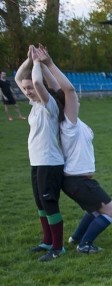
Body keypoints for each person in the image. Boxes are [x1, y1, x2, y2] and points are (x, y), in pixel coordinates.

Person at [34, 46, 112, 254]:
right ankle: (85, 244)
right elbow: (68, 90)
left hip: (75, 180)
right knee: (110, 210)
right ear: (67, 104)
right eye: (72, 99)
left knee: (95, 209)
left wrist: (45, 67)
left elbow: (57, 89)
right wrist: (50, 63)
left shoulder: (69, 121)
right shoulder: (68, 122)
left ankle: (76, 238)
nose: (75, 98)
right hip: (77, 180)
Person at [15, 45, 66, 262]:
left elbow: (37, 82)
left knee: (49, 203)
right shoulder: (34, 104)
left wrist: (38, 63)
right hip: (36, 162)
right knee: (40, 204)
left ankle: (58, 247)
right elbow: (19, 77)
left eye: (30, 89)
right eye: (25, 89)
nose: (27, 91)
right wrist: (28, 59)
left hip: (50, 162)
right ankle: (47, 241)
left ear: (42, 90)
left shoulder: (49, 105)